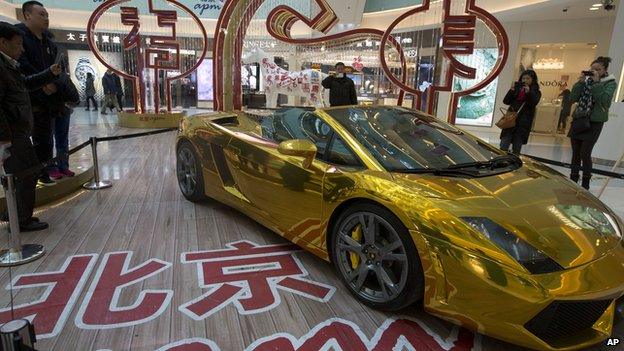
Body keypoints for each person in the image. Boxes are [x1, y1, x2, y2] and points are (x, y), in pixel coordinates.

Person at [0, 21, 61, 231]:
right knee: (22, 176)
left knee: (28, 173)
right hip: (12, 135)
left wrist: (49, 73)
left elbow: (24, 84)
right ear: (3, 42)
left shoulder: (9, 66)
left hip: (19, 133)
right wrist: (4, 140)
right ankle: (20, 221)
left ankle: (17, 214)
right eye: (17, 44)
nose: (22, 49)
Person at [16, 1, 59, 186]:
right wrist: (43, 82)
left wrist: (53, 83)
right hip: (26, 101)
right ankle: (25, 186)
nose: (46, 18)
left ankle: (43, 173)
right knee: (24, 147)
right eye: (41, 14)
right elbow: (22, 68)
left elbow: (57, 69)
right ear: (27, 15)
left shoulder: (48, 41)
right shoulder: (18, 37)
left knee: (46, 141)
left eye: (46, 14)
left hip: (48, 101)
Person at [568, 56, 617, 190]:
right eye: (592, 69)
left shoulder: (610, 82)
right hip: (579, 119)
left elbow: (604, 101)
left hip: (594, 122)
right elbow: (572, 98)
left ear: (605, 70)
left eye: (598, 69)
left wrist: (596, 84)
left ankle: (585, 183)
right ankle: (573, 180)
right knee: (576, 152)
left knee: (585, 152)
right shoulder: (585, 82)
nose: (594, 72)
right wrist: (579, 83)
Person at [499, 70, 542, 155]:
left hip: (523, 123)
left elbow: (533, 103)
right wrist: (511, 90)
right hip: (510, 120)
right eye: (523, 78)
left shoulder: (536, 92)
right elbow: (506, 101)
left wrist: (528, 93)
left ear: (533, 80)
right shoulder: (516, 89)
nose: (525, 80)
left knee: (517, 147)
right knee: (504, 144)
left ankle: (513, 164)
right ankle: (500, 162)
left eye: (528, 78)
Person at [49, 72, 79, 180]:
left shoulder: (62, 72)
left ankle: (63, 166)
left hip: (64, 108)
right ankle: (50, 167)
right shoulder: (41, 71)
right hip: (48, 108)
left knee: (63, 139)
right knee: (48, 141)